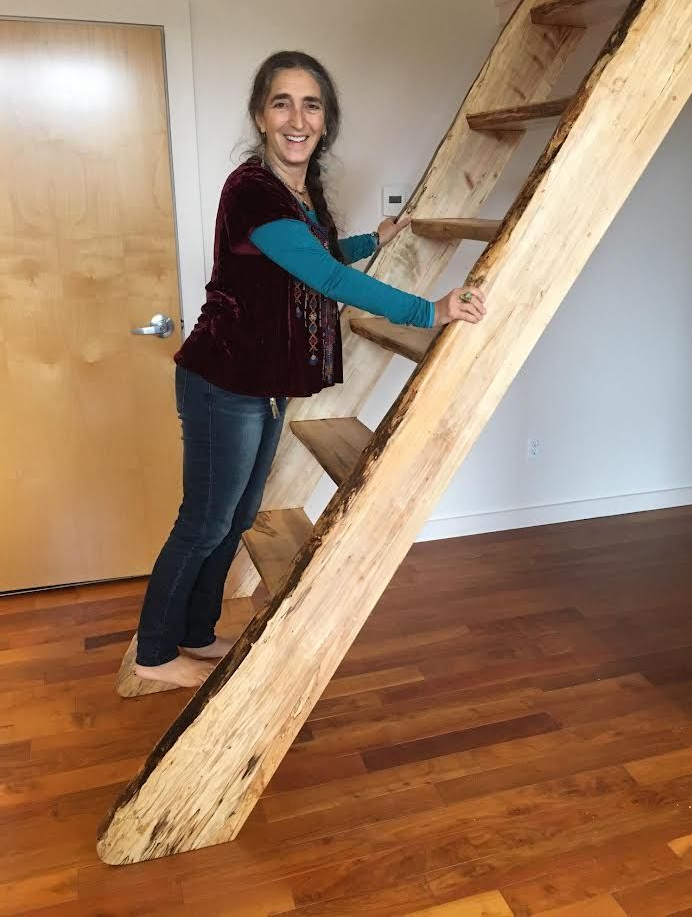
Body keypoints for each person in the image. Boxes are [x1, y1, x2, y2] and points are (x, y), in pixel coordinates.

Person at [133, 51, 487, 687]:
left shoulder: (298, 192)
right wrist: (428, 309)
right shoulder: (250, 189)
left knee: (237, 518)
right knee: (206, 520)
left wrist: (373, 241)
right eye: (282, 102)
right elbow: (323, 276)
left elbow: (313, 255)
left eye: (312, 104)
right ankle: (154, 653)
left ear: (326, 121)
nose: (298, 117)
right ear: (261, 117)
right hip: (223, 380)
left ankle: (194, 632)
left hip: (260, 384)